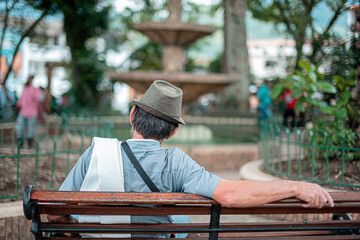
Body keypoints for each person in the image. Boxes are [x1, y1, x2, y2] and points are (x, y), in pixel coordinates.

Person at [47, 80, 334, 238]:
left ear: (133, 115)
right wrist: (296, 187)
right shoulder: (176, 162)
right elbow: (231, 195)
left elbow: (54, 213)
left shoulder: (95, 153)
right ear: (171, 132)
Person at [15, 75, 43, 148]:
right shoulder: (25, 88)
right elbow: (22, 99)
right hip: (23, 112)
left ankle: (29, 146)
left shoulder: (36, 90)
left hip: (32, 113)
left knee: (30, 131)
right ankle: (20, 145)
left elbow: (39, 99)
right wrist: (18, 104)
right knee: (19, 129)